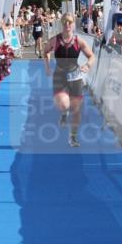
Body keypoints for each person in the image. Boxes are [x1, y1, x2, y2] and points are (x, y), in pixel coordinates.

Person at [44, 14, 95, 148]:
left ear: (73, 24)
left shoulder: (79, 41)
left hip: (75, 76)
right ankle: (64, 112)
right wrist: (47, 66)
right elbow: (45, 51)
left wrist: (88, 65)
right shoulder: (55, 40)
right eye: (65, 22)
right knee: (65, 105)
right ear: (62, 24)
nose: (67, 24)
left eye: (70, 22)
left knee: (76, 109)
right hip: (60, 75)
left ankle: (73, 137)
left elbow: (91, 56)